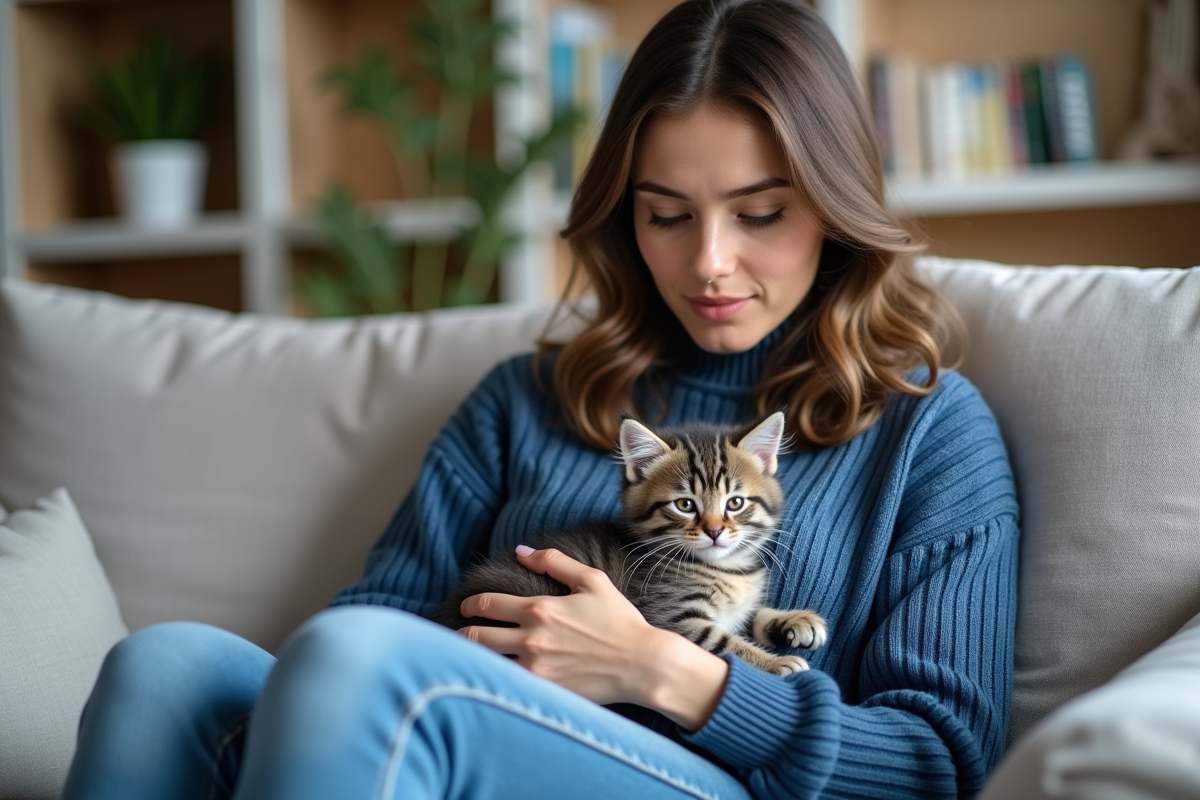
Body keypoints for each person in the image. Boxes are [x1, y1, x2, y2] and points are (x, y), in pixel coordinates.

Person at [62, 0, 1019, 797]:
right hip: (459, 722)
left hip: (709, 775)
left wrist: (661, 669)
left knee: (368, 673)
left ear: (835, 206)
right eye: (667, 215)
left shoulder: (929, 430)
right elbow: (372, 621)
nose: (710, 261)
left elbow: (935, 760)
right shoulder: (526, 398)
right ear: (623, 213)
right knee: (164, 669)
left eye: (760, 213)